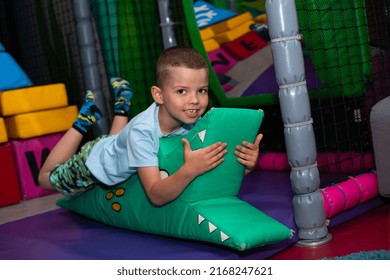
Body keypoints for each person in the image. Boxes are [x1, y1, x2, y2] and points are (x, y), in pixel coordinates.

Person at [38, 46, 263, 206]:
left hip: (118, 144)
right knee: (46, 178)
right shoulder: (142, 133)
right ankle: (82, 121)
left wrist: (246, 165)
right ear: (159, 95)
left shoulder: (194, 120)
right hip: (93, 164)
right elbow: (156, 195)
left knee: (117, 141)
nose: (195, 100)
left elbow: (214, 172)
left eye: (201, 90)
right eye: (182, 91)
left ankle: (122, 106)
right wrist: (189, 170)